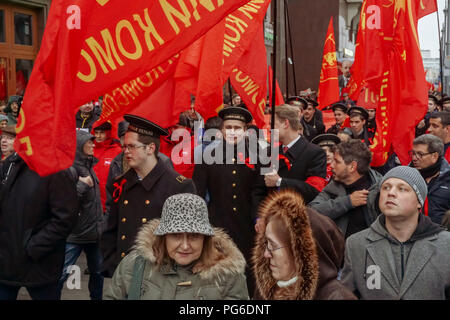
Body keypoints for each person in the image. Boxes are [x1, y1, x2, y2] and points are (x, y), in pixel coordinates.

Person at [100, 114, 196, 278]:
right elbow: (112, 229)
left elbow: (187, 240)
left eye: (132, 147)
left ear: (150, 148)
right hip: (125, 273)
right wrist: (112, 266)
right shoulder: (122, 183)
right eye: (125, 147)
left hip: (160, 277)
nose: (126, 152)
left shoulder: (179, 186)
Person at [105, 193, 249, 300]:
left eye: (194, 236)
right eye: (176, 235)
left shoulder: (228, 276)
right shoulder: (135, 266)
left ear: (205, 239)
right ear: (164, 237)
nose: (185, 246)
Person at [340, 166, 450, 299]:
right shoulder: (356, 244)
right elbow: (346, 294)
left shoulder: (445, 244)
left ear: (419, 202)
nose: (391, 193)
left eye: (402, 188)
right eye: (386, 187)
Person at [192, 106, 258, 294]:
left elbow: (258, 191)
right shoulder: (207, 155)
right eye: (228, 127)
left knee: (248, 277)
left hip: (248, 227)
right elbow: (198, 193)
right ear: (222, 130)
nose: (232, 132)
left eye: (237, 128)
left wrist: (258, 218)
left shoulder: (257, 154)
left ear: (245, 130)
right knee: (217, 277)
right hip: (218, 225)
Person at [252, 189, 356, 300]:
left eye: (273, 246)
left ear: (302, 253)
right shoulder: (267, 291)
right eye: (266, 244)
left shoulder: (336, 297)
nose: (266, 254)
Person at [0, 153, 78, 300]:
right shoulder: (11, 162)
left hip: (39, 264)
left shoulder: (56, 168)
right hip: (6, 261)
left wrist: (33, 247)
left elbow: (65, 218)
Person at [252, 104, 327, 215]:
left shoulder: (315, 153)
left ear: (286, 123)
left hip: (299, 219)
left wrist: (280, 182)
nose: (269, 129)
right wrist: (259, 217)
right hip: (271, 218)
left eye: (272, 124)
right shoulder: (269, 152)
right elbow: (258, 190)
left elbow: (314, 190)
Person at [57, 130, 104, 300]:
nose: (93, 145)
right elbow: (63, 202)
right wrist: (81, 186)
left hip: (94, 234)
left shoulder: (89, 166)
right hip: (75, 235)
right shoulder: (69, 170)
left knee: (98, 274)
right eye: (89, 142)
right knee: (60, 275)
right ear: (78, 146)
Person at [310, 139, 382, 238]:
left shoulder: (380, 190)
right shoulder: (334, 186)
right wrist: (348, 202)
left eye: (337, 162)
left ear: (352, 167)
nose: (331, 166)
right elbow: (311, 212)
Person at [104, 120, 173, 218]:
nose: (127, 142)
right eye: (123, 138)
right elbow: (111, 198)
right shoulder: (116, 162)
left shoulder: (162, 161)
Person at [409, 134, 450, 225]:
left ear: (434, 156)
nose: (414, 158)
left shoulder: (448, 178)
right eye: (413, 153)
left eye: (420, 154)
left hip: (442, 236)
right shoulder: (405, 177)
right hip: (410, 235)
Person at [92, 121, 122, 211]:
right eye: (96, 133)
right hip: (91, 200)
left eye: (102, 133)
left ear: (108, 133)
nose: (98, 136)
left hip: (109, 199)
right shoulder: (90, 148)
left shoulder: (117, 151)